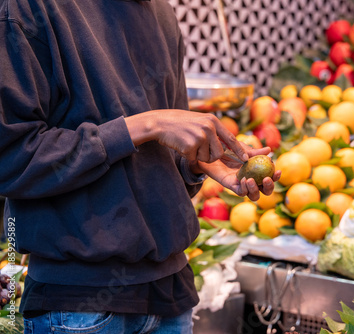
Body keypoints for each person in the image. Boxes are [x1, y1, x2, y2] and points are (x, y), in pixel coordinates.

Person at [0, 0, 279, 333]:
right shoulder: (30, 8)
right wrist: (146, 125)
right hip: (79, 306)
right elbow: (11, 158)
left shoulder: (161, 13)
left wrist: (197, 166)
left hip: (171, 297)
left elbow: (157, 160)